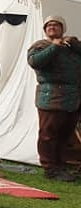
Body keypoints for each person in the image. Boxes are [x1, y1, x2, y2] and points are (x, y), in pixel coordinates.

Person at [26, 15, 81, 182]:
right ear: (45, 30)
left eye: (56, 25)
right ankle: (50, 168)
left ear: (62, 29)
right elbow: (35, 62)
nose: (52, 27)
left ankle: (60, 166)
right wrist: (54, 47)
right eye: (49, 25)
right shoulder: (40, 46)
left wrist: (76, 45)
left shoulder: (71, 47)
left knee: (65, 135)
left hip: (73, 98)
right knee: (48, 135)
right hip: (50, 97)